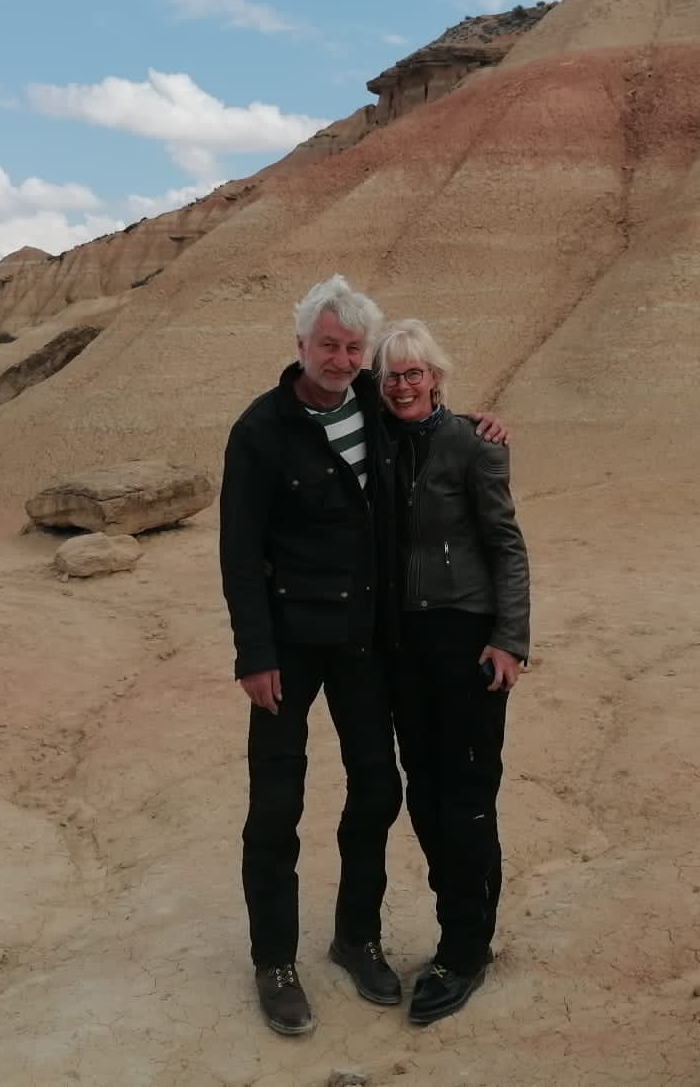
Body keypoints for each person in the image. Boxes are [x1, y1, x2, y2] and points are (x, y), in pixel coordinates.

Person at [218, 276, 503, 1037]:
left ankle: (355, 937)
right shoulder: (261, 429)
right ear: (300, 346)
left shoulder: (374, 409)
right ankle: (274, 961)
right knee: (276, 806)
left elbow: (428, 419)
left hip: (364, 647)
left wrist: (480, 425)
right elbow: (240, 553)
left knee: (376, 791)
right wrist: (254, 653)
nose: (341, 360)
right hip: (286, 649)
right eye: (329, 346)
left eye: (353, 349)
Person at [372, 318, 530, 1026]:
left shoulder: (472, 445)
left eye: (414, 372)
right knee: (425, 790)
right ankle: (466, 925)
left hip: (466, 639)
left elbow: (506, 545)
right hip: (402, 646)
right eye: (391, 375)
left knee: (466, 794)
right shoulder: (375, 443)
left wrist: (509, 639)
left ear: (435, 376)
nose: (403, 384)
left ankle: (464, 949)